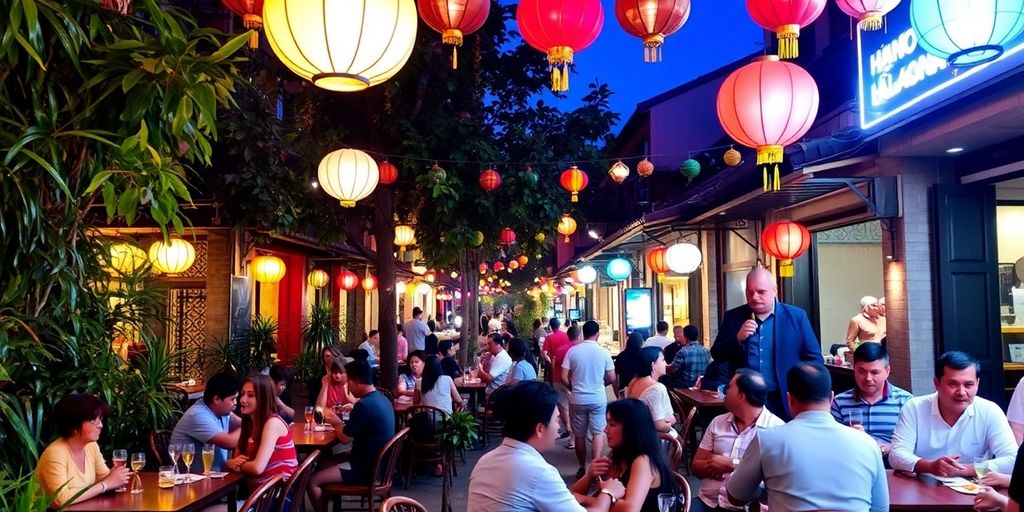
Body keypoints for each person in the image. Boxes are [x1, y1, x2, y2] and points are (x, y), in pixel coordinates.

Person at [727, 362, 888, 511]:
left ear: (789, 399)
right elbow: (881, 508)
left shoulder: (767, 440)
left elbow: (736, 497)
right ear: (831, 398)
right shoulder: (867, 443)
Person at [467, 381, 625, 511]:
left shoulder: (485, 461)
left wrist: (589, 477)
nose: (559, 427)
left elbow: (566, 498)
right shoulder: (537, 472)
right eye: (557, 420)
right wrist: (608, 492)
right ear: (540, 429)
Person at [710, 267, 822, 420]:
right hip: (745, 399)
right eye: (750, 293)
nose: (755, 297)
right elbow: (717, 354)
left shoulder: (796, 317)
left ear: (774, 290)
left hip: (784, 398)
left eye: (761, 292)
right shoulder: (734, 317)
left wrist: (804, 391)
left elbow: (815, 359)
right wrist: (737, 339)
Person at [890, 351, 1018, 477]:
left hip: (974, 489)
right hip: (923, 485)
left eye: (968, 385)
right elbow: (896, 455)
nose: (961, 392)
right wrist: (930, 466)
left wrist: (965, 470)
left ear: (977, 384)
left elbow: (1013, 460)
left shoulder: (990, 411)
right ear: (937, 383)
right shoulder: (915, 407)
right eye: (953, 384)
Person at [692, 369, 783, 512]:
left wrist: (730, 464)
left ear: (741, 395)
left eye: (729, 387)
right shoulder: (718, 422)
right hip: (708, 502)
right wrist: (750, 471)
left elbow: (774, 479)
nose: (724, 391)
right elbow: (696, 466)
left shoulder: (775, 430)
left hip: (746, 507)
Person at [309, 361, 396, 506]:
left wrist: (336, 423)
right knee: (323, 464)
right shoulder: (382, 398)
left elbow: (345, 438)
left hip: (366, 468)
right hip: (381, 465)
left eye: (348, 382)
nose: (347, 386)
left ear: (356, 382)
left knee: (313, 481)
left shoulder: (363, 405)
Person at [571, 399, 678, 512]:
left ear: (631, 429)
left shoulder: (643, 461)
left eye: (612, 424)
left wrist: (587, 499)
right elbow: (571, 496)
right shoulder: (618, 454)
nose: (605, 430)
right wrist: (589, 475)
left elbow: (630, 509)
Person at [36, 394, 131, 507]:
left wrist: (115, 476)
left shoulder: (91, 446)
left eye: (100, 419)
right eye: (92, 420)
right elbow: (60, 499)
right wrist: (106, 484)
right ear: (73, 426)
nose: (100, 425)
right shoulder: (55, 453)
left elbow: (103, 476)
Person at [830, 342, 912, 457]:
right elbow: (832, 442)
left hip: (892, 465)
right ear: (854, 369)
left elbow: (914, 443)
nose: (868, 378)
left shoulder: (905, 402)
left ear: (887, 371)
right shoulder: (839, 403)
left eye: (875, 372)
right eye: (861, 371)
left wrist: (887, 448)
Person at [563, 320, 616, 479]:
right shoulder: (603, 352)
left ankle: (581, 467)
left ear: (582, 333)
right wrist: (600, 384)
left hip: (577, 399)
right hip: (598, 398)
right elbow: (612, 377)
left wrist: (573, 388)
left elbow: (564, 377)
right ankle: (596, 468)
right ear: (597, 334)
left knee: (579, 434)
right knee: (598, 433)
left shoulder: (572, 352)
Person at [225, 375, 298, 487]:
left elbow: (257, 468)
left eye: (250, 395)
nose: (242, 400)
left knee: (216, 505)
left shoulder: (272, 423)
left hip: (276, 498)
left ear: (263, 398)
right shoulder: (249, 423)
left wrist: (233, 464)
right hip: (257, 495)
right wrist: (233, 462)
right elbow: (237, 457)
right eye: (242, 393)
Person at [170, 372, 242, 473]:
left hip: (215, 476)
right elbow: (229, 442)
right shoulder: (198, 414)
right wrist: (247, 425)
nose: (235, 403)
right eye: (232, 399)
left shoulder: (222, 410)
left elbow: (239, 422)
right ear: (216, 399)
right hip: (191, 480)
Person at [626, 346, 677, 438]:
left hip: (634, 435)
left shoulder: (633, 381)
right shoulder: (656, 388)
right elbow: (660, 426)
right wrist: (671, 421)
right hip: (652, 440)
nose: (666, 363)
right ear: (653, 365)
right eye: (663, 360)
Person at [542, 318, 570, 383]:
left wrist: (550, 362)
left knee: (556, 388)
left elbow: (544, 354)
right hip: (566, 365)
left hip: (555, 366)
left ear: (550, 327)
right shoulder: (566, 335)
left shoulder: (549, 338)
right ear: (559, 325)